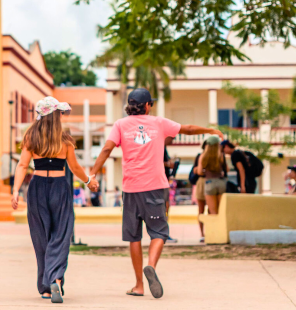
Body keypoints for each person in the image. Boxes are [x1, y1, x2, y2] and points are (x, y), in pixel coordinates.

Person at [88, 88, 221, 299]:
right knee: (159, 232)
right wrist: (210, 130)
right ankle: (151, 266)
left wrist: (92, 175)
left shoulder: (120, 125)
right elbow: (186, 128)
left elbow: (106, 149)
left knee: (134, 237)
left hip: (131, 189)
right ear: (148, 105)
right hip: (155, 187)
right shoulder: (159, 123)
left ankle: (139, 285)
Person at [11, 96, 94, 304]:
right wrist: (89, 181)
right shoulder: (65, 140)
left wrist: (15, 191)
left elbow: (22, 165)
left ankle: (46, 288)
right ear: (56, 115)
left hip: (37, 187)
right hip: (59, 188)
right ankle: (55, 278)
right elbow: (74, 168)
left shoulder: (31, 137)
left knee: (41, 237)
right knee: (62, 233)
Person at [195, 136, 227, 215]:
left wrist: (206, 172)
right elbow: (226, 169)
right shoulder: (221, 155)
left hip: (209, 182)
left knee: (213, 212)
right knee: (220, 211)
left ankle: (214, 227)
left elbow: (199, 172)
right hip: (221, 182)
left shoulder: (203, 156)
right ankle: (221, 227)